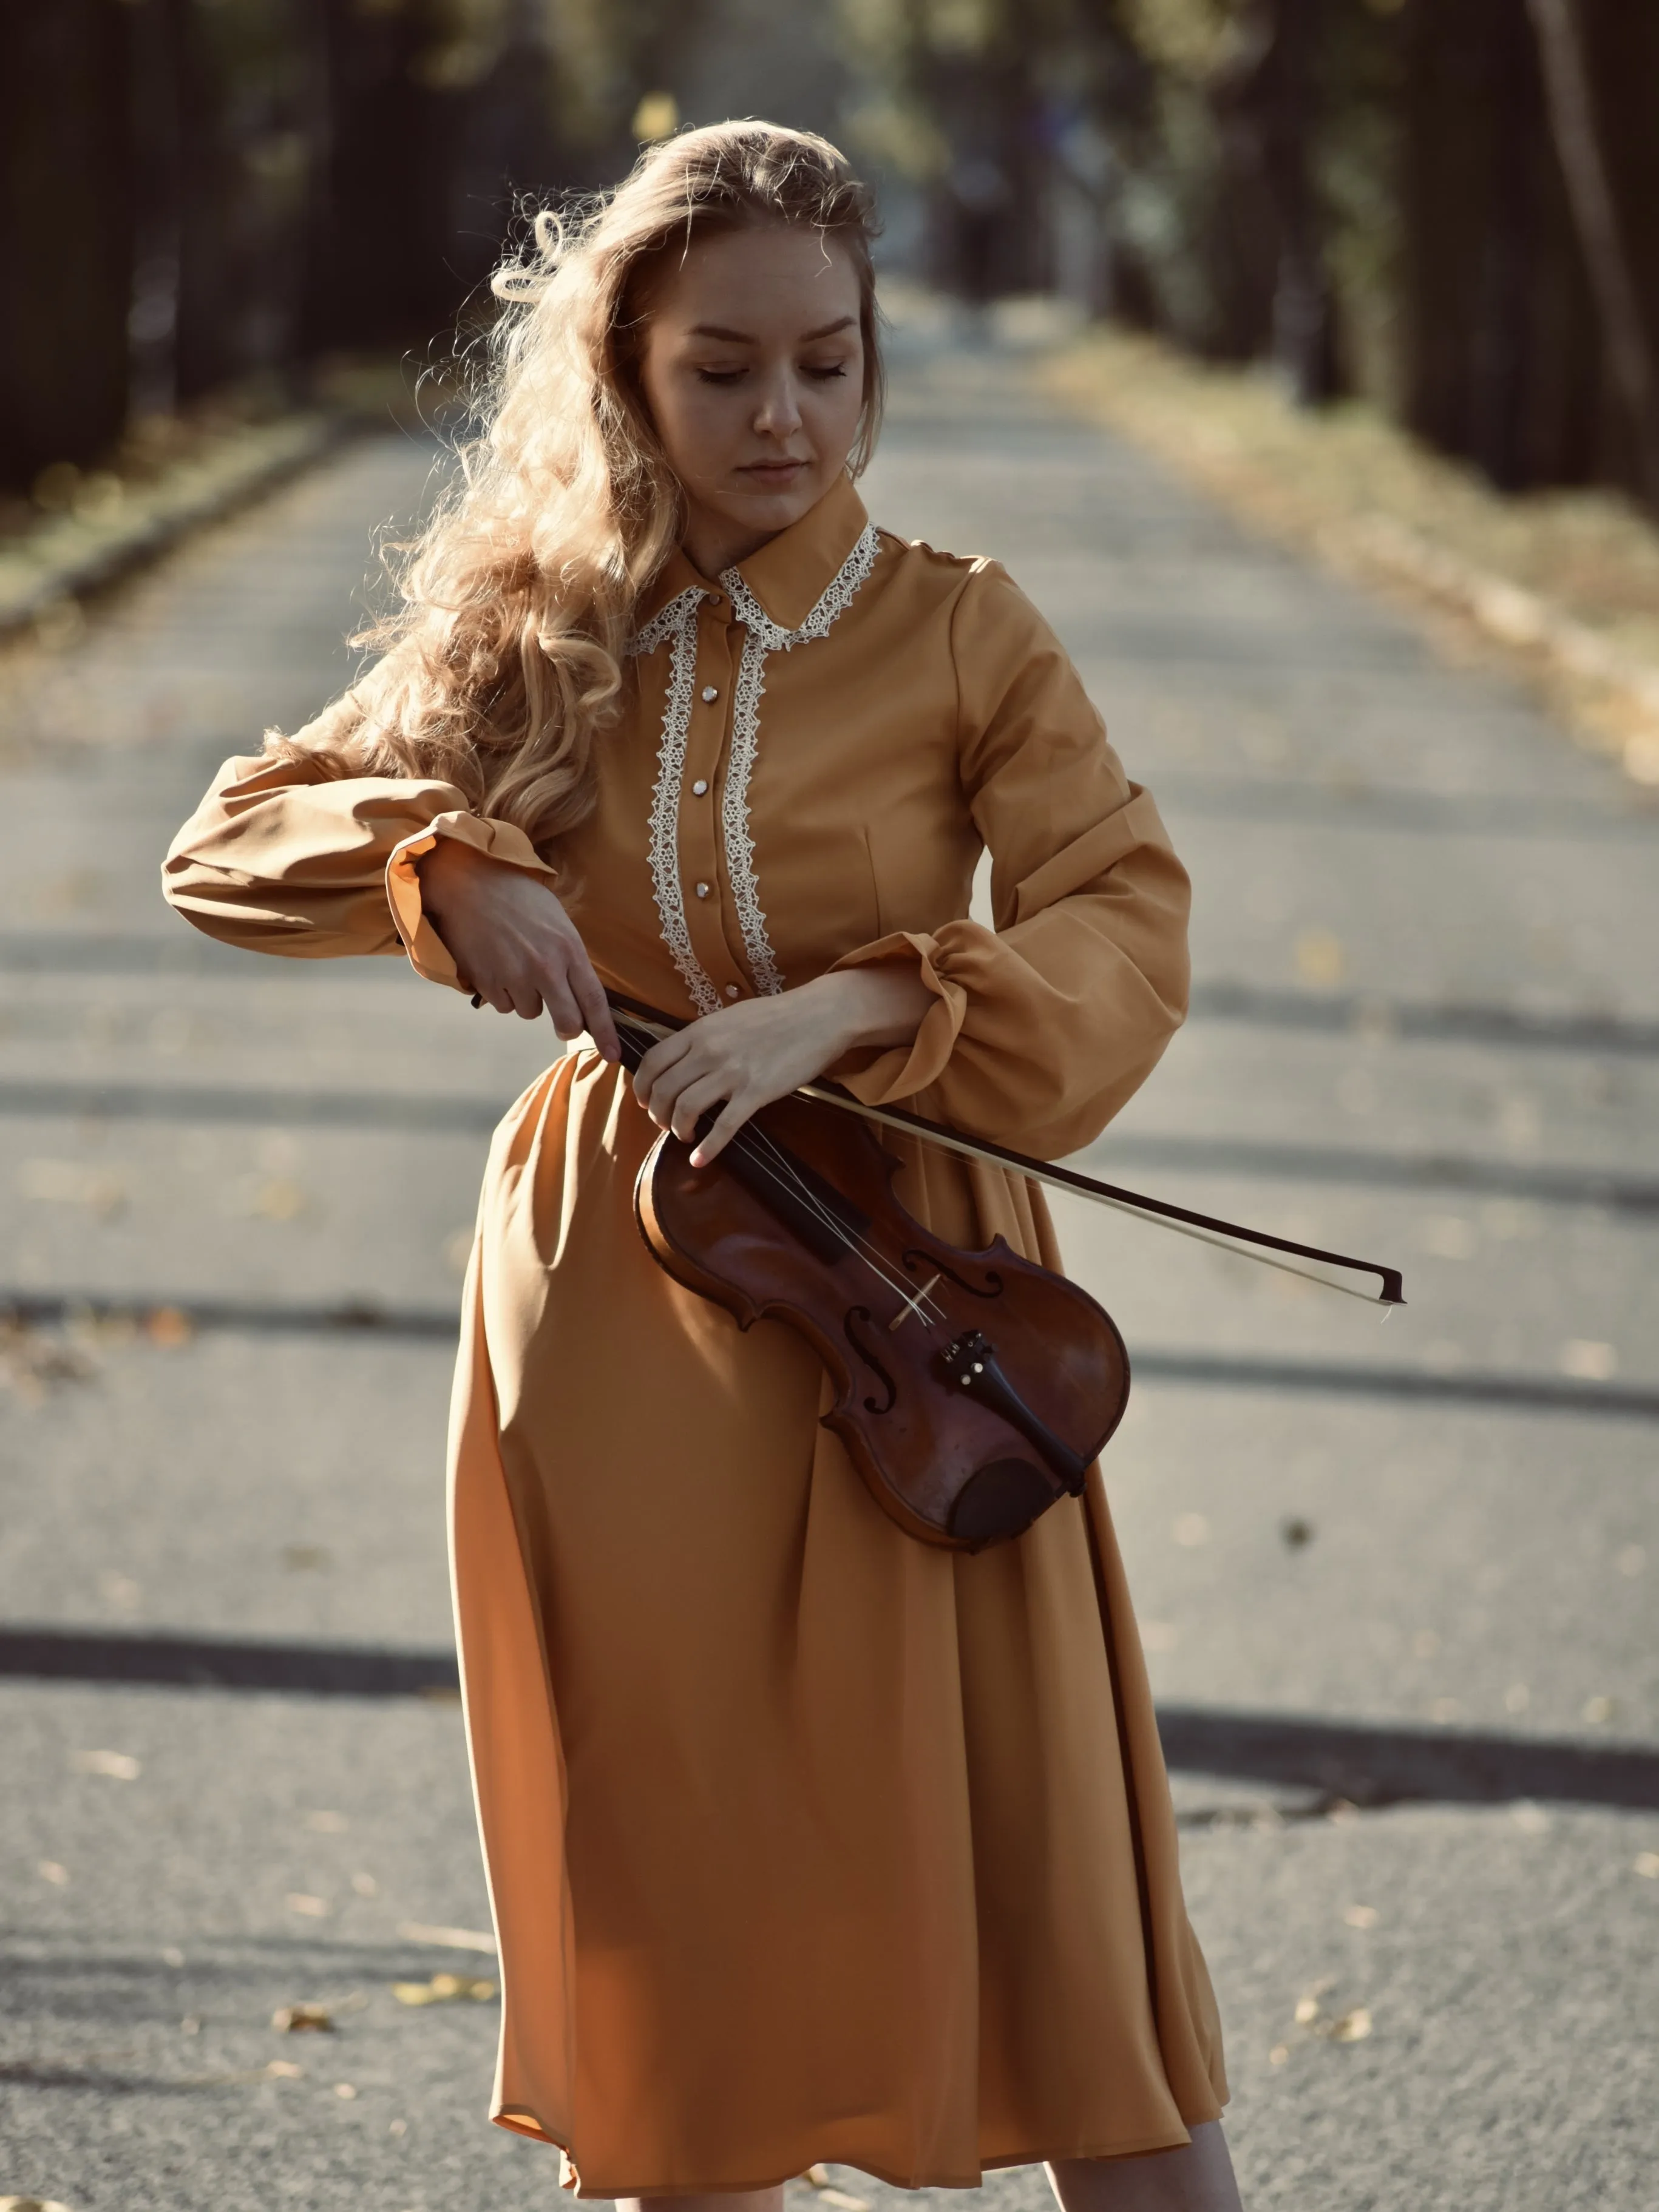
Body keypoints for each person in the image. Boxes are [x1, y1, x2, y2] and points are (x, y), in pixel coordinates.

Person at [163, 122, 1241, 2212]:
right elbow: (228, 837)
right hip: (623, 1306)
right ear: (626, 374)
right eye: (724, 368)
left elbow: (1122, 913)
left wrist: (852, 1007)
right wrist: (435, 860)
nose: (786, 416)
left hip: (916, 1295)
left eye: (829, 363)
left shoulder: (958, 628)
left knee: (1045, 1855)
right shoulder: (533, 634)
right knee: (686, 1872)